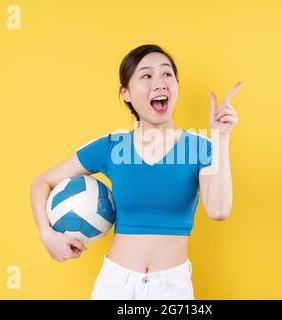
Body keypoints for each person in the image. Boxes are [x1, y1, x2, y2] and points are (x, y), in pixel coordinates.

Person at [30, 44, 240, 300]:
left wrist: (220, 138)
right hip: (116, 285)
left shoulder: (201, 148)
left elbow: (219, 210)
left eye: (167, 74)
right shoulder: (111, 146)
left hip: (172, 288)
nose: (160, 83)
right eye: (146, 76)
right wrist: (46, 233)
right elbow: (42, 182)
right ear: (126, 93)